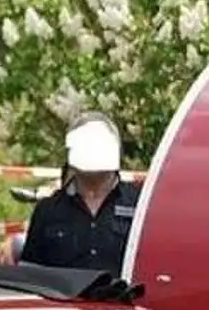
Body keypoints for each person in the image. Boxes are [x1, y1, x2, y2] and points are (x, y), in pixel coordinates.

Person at [17, 113, 140, 278]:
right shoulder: (48, 211)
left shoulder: (140, 207)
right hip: (63, 304)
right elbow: (30, 276)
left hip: (123, 302)